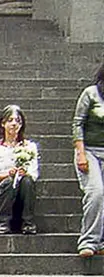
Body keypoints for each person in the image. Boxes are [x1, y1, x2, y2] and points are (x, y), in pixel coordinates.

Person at [0, 105, 39, 235]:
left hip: (21, 195)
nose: (14, 124)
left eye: (18, 121)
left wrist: (24, 173)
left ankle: (28, 222)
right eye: (10, 120)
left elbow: (34, 173)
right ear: (3, 123)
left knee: (27, 180)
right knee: (9, 181)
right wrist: (7, 174)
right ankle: (0, 222)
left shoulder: (29, 147)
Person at [73, 61, 104, 258]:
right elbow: (77, 124)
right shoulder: (91, 93)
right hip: (90, 151)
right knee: (96, 192)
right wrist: (81, 153)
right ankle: (89, 240)